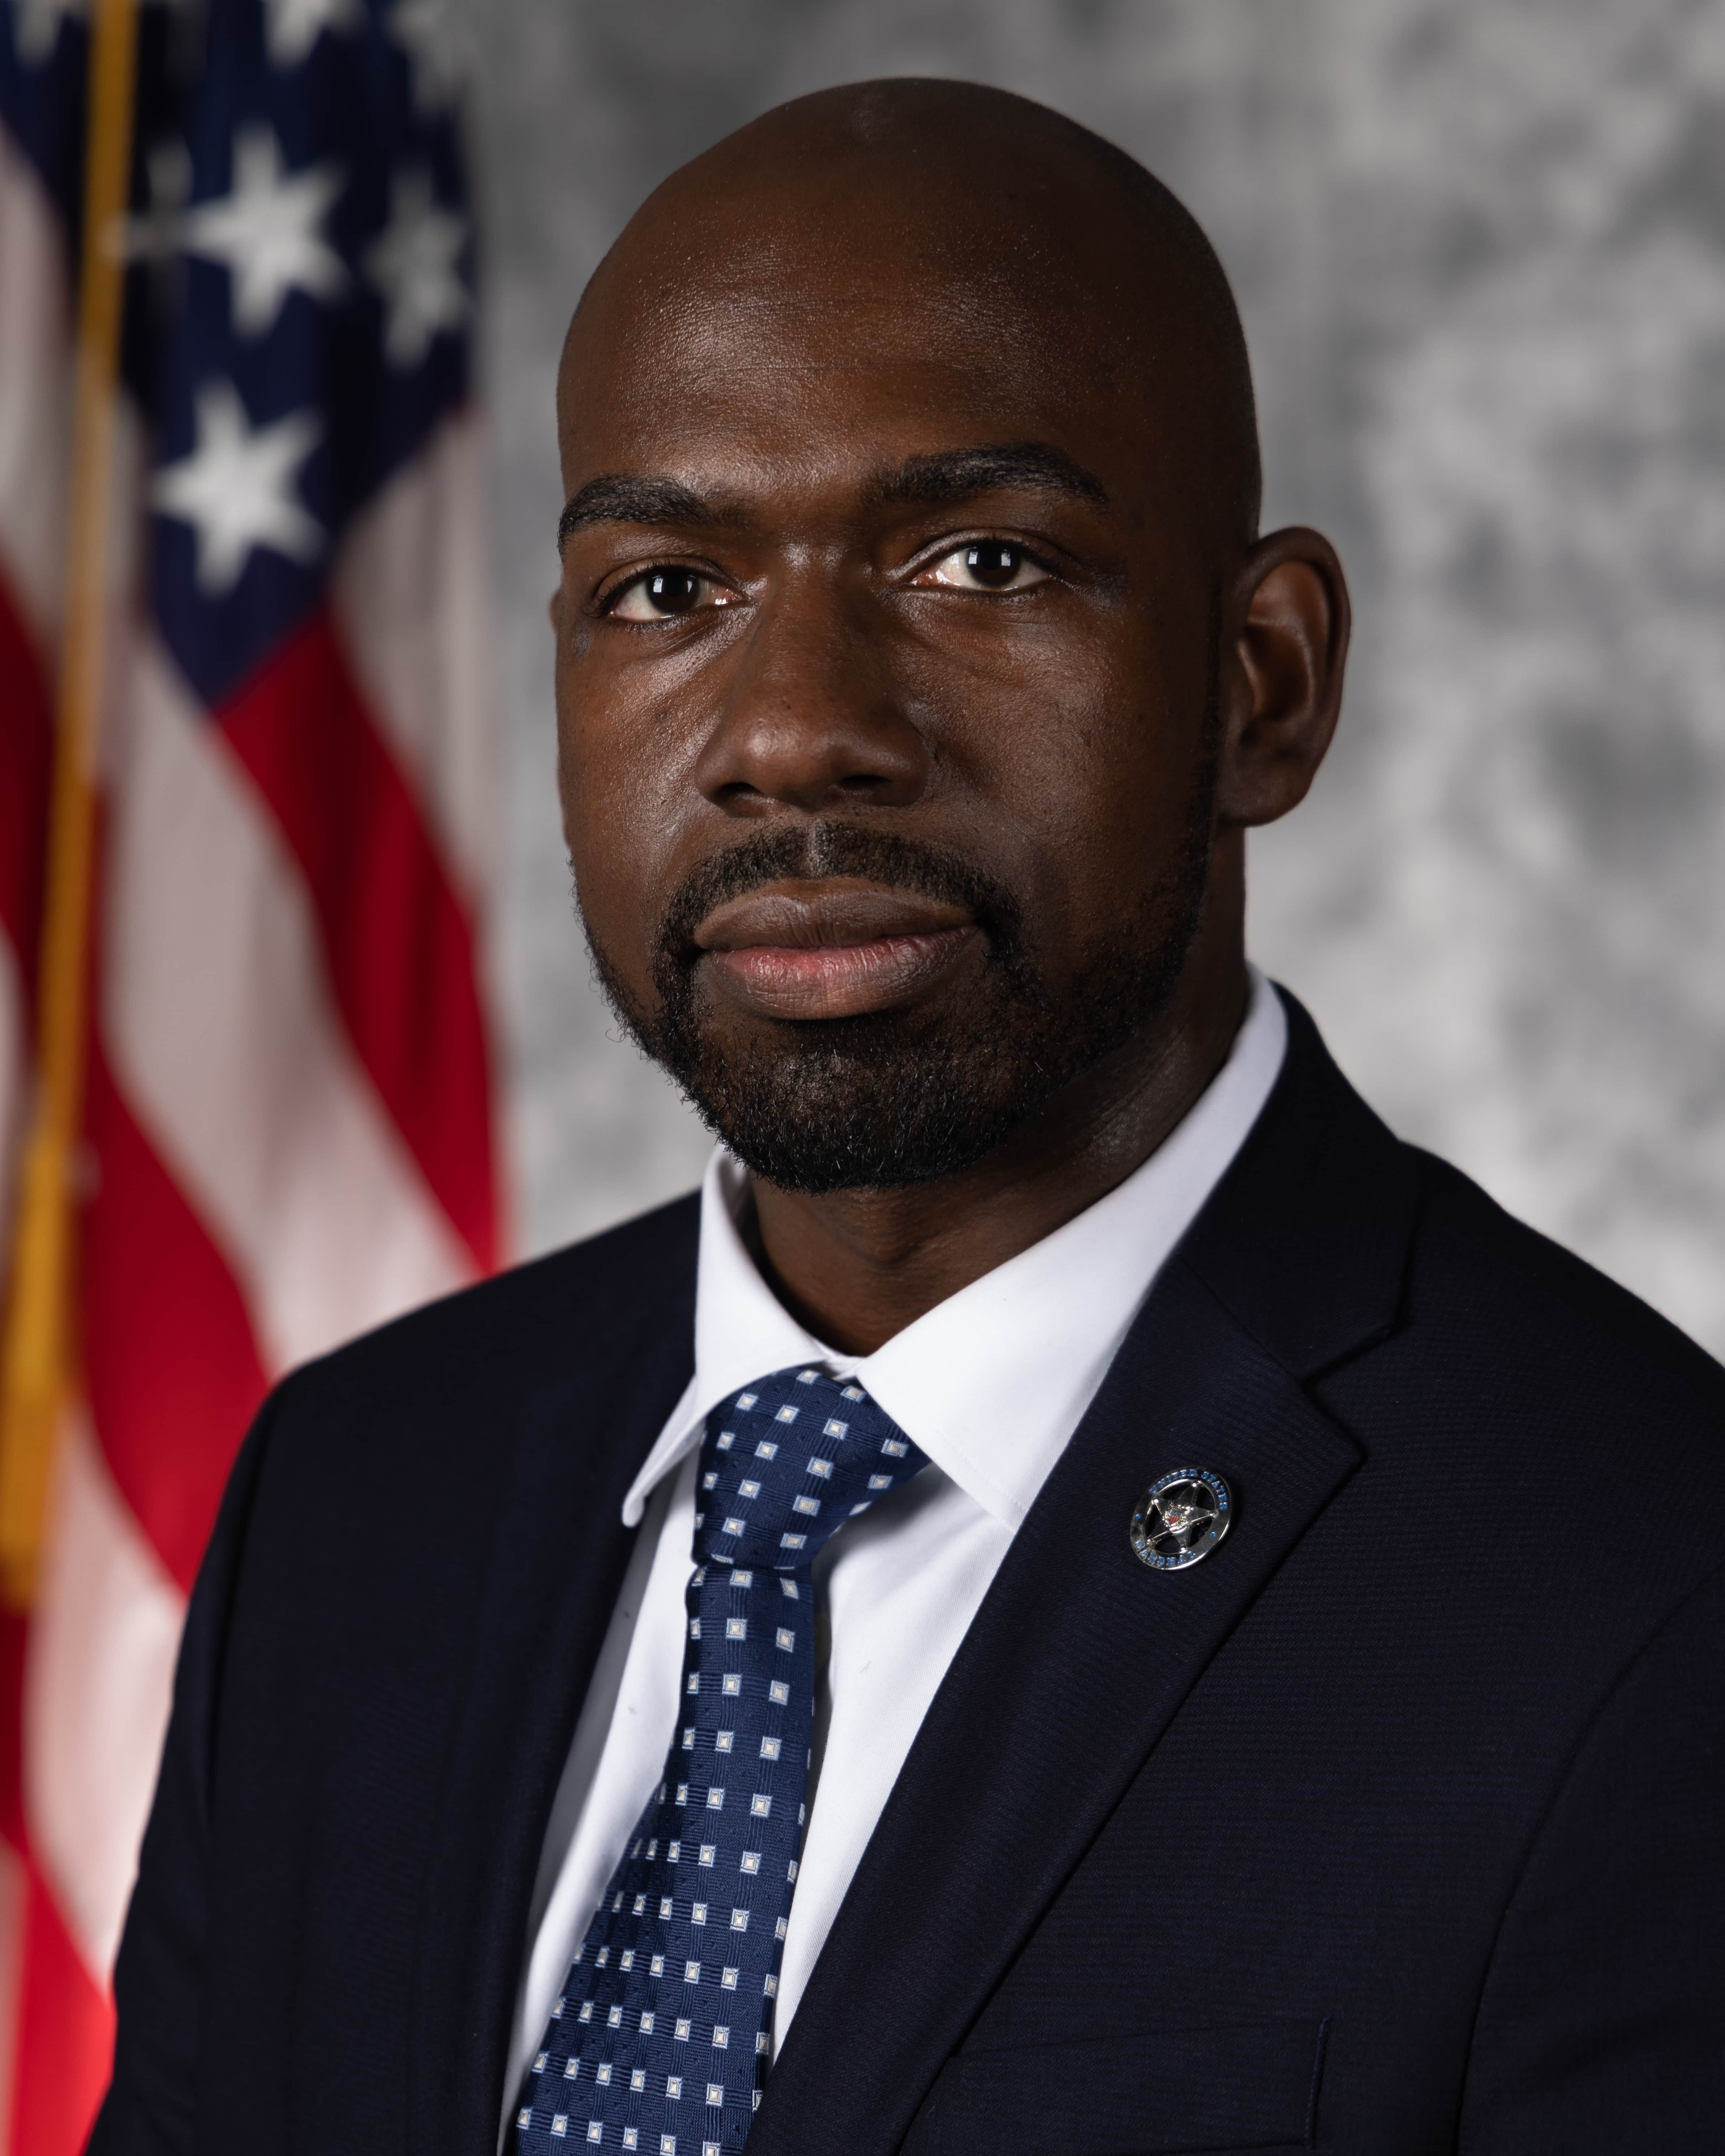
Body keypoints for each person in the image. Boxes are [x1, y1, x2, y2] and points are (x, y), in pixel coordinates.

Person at [93, 79, 1724, 2156]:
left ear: (1262, 687)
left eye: (977, 560)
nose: (791, 733)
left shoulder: (1644, 1595)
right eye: (666, 589)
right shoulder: (355, 1498)